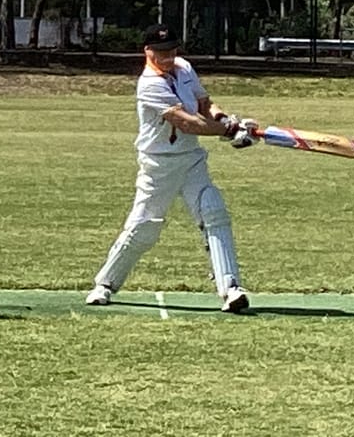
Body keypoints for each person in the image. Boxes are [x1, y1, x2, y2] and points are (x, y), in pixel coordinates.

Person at [85, 23, 258, 313]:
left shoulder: (184, 68)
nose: (167, 57)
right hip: (159, 165)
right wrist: (228, 131)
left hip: (191, 159)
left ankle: (231, 289)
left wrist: (227, 120)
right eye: (161, 52)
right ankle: (105, 284)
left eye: (171, 50)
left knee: (214, 211)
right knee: (143, 227)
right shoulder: (149, 83)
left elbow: (205, 105)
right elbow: (185, 122)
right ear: (148, 51)